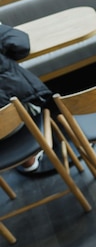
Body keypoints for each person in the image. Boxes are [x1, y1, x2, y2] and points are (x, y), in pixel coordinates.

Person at [0, 23, 54, 173]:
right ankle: (31, 154)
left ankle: (26, 159)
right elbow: (21, 45)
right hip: (15, 123)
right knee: (31, 105)